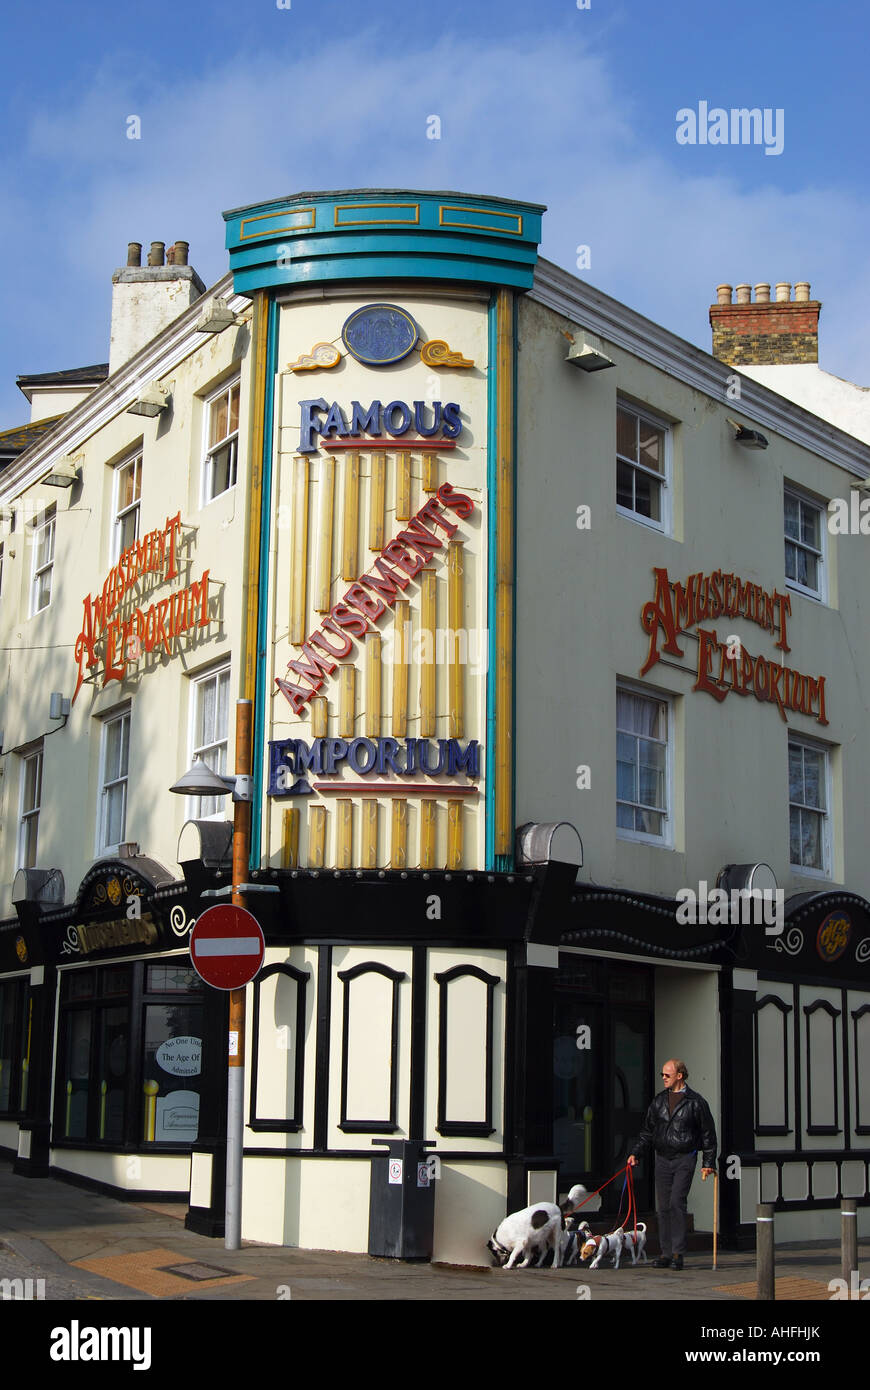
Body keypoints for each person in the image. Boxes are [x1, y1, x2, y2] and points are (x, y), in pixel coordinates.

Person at [627, 1058, 717, 1270]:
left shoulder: (696, 1102)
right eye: (662, 1074)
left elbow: (708, 1134)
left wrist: (708, 1162)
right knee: (664, 1206)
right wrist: (636, 1153)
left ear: (680, 1075)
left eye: (667, 1075)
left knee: (677, 1202)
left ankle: (678, 1253)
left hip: (685, 1157)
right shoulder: (659, 1101)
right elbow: (648, 1131)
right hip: (662, 1158)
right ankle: (666, 1253)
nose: (663, 1078)